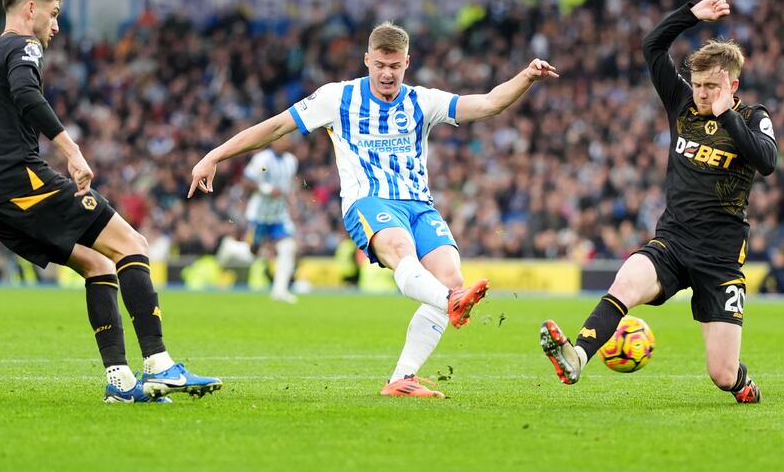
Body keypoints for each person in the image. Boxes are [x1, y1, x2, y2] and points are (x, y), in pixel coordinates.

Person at [188, 21, 558, 398]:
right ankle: (451, 303)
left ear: (407, 63)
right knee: (403, 252)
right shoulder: (337, 97)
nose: (387, 73)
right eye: (380, 64)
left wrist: (526, 77)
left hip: (419, 206)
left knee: (451, 278)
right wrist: (214, 156)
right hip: (370, 202)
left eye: (395, 66)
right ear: (367, 60)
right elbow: (276, 127)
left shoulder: (422, 101)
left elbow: (489, 103)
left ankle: (402, 378)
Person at [0, 0, 221, 404]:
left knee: (98, 265)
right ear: (29, 9)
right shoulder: (22, 46)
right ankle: (160, 364)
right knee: (131, 242)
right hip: (22, 182)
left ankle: (121, 382)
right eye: (52, 16)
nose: (55, 27)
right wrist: (71, 150)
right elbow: (27, 94)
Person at [540, 0, 777, 404]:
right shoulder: (682, 103)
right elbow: (652, 46)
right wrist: (689, 16)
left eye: (711, 87)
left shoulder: (753, 117)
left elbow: (767, 161)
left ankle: (743, 383)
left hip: (719, 258)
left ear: (732, 86)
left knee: (721, 375)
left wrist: (728, 117)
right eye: (698, 85)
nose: (702, 94)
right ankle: (577, 356)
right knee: (627, 279)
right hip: (673, 240)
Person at [241, 135, 301, 303]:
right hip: (258, 215)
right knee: (251, 251)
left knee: (288, 247)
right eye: (281, 139)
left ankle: (280, 290)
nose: (284, 142)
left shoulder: (291, 161)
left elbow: (289, 187)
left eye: (287, 139)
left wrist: (292, 205)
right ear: (273, 140)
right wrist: (265, 188)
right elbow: (246, 181)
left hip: (279, 215)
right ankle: (229, 249)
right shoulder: (262, 159)